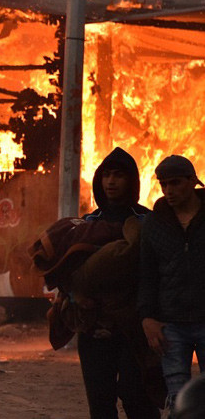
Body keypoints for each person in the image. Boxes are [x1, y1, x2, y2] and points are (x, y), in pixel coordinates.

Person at [75, 147, 162, 418]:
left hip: (135, 326)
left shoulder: (148, 221)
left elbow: (155, 273)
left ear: (131, 181)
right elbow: (72, 274)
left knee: (137, 397)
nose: (111, 182)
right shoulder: (87, 223)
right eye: (106, 175)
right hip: (95, 326)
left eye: (119, 176)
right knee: (100, 401)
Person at [138, 154, 205, 412]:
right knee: (178, 401)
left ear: (192, 181)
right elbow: (147, 274)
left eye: (175, 183)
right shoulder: (155, 224)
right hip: (171, 324)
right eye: (163, 184)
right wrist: (147, 317)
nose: (168, 190)